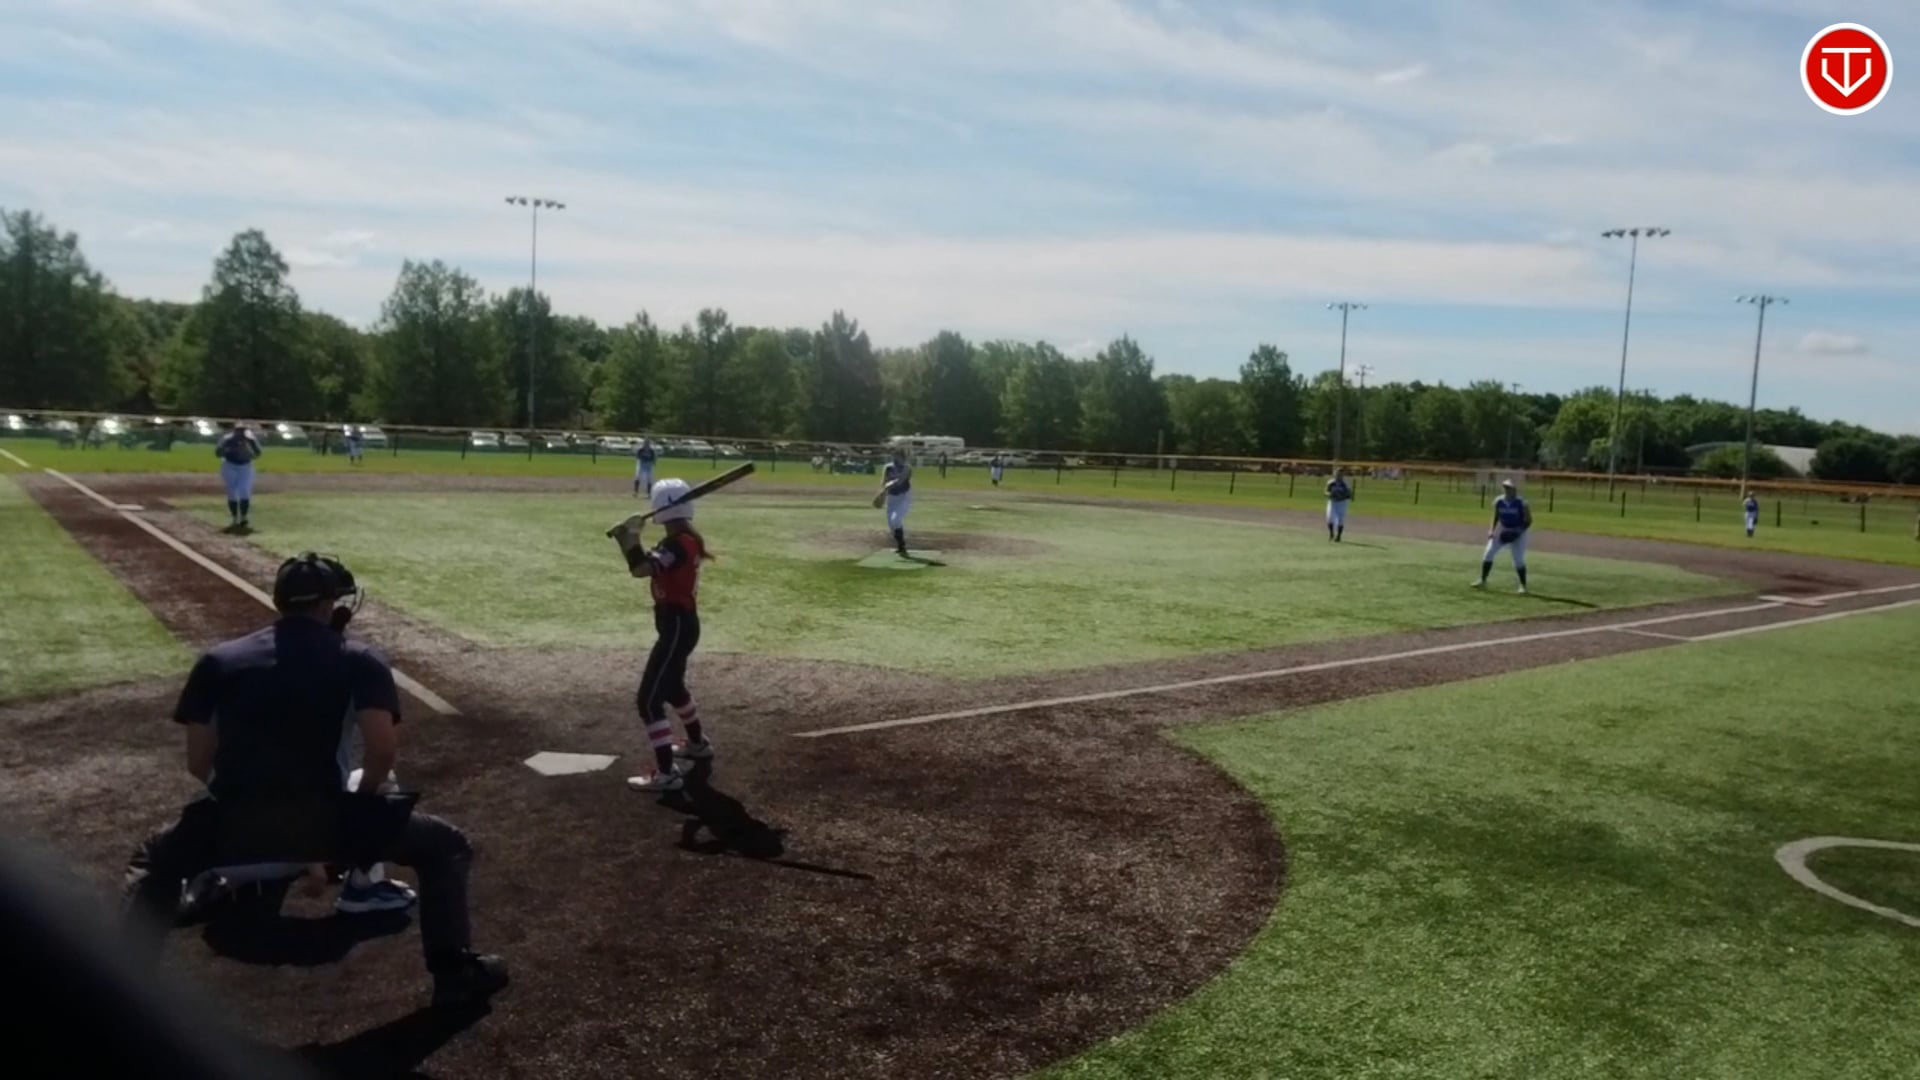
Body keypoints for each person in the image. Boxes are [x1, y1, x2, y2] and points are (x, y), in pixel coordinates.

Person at [121, 553, 508, 1008]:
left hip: (233, 828)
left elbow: (198, 763)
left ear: (279, 601)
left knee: (155, 858)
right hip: (328, 827)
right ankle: (453, 973)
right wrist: (361, 810)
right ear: (328, 604)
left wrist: (243, 800)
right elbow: (382, 750)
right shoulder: (359, 658)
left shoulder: (217, 661)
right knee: (446, 846)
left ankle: (126, 990)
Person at [609, 480, 713, 794]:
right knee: (673, 687)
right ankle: (697, 743)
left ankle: (667, 773)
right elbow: (647, 565)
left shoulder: (677, 544)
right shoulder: (684, 540)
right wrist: (628, 540)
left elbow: (641, 569)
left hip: (677, 626)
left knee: (648, 701)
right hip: (681, 625)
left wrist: (630, 539)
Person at [1472, 478, 1532, 594]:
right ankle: (1483, 580)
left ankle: (1523, 586)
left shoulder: (1521, 502)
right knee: (1488, 552)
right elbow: (1495, 516)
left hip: (1518, 532)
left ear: (1514, 489)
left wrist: (1518, 532)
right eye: (1505, 487)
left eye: (1509, 487)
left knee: (1518, 559)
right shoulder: (1499, 501)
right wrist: (1491, 530)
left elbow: (1528, 520)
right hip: (1503, 530)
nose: (1506, 489)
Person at [214, 423, 262, 530]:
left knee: (244, 491)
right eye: (238, 430)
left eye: (243, 430)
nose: (240, 432)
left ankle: (244, 517)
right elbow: (217, 453)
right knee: (232, 492)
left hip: (246, 466)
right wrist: (228, 450)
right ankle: (235, 518)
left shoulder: (250, 439)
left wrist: (250, 453)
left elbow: (258, 453)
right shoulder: (227, 439)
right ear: (234, 430)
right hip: (229, 466)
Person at [876, 449, 913, 556]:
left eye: (897, 456)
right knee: (891, 525)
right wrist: (881, 494)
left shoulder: (907, 467)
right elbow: (883, 482)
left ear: (902, 457)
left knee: (895, 520)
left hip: (904, 497)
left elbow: (900, 480)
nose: (895, 458)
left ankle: (902, 546)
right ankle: (900, 546)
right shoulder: (888, 467)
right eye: (894, 455)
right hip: (891, 498)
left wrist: (889, 484)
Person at [1324, 466, 1353, 542]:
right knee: (1329, 517)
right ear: (1335, 474)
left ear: (1343, 475)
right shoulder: (1331, 482)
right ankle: (1331, 534)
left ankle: (1338, 536)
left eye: (1341, 474)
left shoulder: (1346, 483)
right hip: (1332, 502)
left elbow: (1349, 495)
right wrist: (1329, 494)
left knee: (1341, 519)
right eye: (1337, 474)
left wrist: (1342, 495)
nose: (1339, 475)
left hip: (1342, 503)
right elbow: (1326, 492)